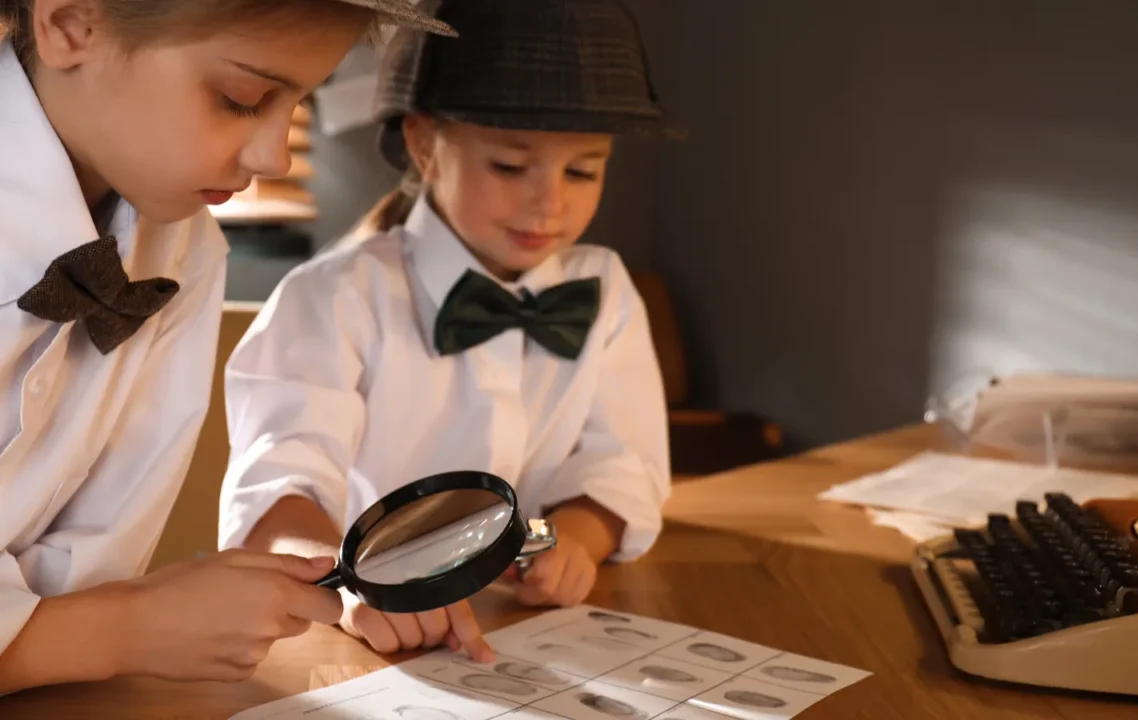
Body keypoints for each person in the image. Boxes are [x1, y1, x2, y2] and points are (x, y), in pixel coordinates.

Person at [0, 0, 453, 694]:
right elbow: (88, 622)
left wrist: (106, 625)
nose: (275, 156)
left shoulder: (184, 248)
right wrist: (127, 628)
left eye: (300, 101)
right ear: (69, 23)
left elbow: (87, 576)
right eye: (242, 99)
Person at [218, 0, 677, 661]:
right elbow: (276, 494)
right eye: (510, 166)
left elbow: (620, 465)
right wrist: (351, 585)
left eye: (582, 169)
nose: (550, 201)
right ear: (425, 144)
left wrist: (573, 538)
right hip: (357, 643)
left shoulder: (603, 289)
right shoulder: (334, 297)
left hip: (522, 632)